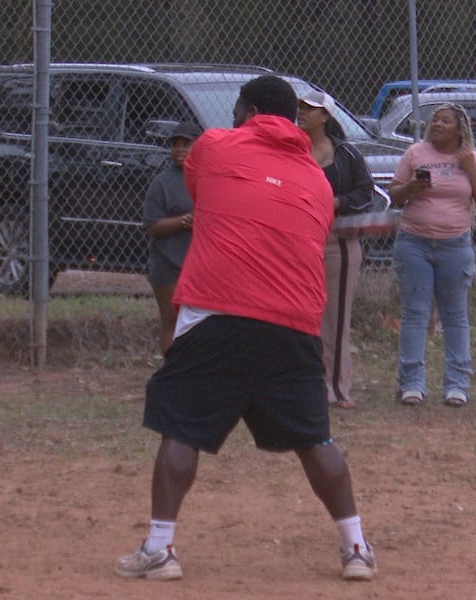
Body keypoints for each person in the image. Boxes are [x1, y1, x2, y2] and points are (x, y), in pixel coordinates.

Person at [115, 75, 375, 583]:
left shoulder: (213, 147)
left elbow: (199, 188)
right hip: (295, 323)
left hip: (217, 311)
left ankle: (160, 549)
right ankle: (357, 548)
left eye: (238, 112)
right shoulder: (317, 180)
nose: (231, 120)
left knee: (182, 428)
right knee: (316, 438)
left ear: (250, 110)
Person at [388, 103, 476, 407]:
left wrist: (472, 170)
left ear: (459, 128)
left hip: (454, 245)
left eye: (445, 121)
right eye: (435, 120)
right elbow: (393, 195)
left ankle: (457, 384)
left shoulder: (472, 159)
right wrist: (411, 187)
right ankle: (412, 383)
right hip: (414, 243)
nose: (437, 124)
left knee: (454, 315)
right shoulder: (415, 154)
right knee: (415, 313)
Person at [297, 91, 375, 410]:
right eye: (300, 108)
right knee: (299, 316)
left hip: (335, 241)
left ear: (326, 117)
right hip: (295, 241)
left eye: (311, 109)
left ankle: (336, 387)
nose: (303, 113)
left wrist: (336, 202)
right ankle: (302, 383)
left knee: (335, 317)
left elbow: (365, 193)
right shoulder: (288, 150)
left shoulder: (346, 155)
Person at [142, 121, 201, 353]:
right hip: (168, 263)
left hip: (199, 263)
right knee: (172, 321)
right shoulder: (162, 183)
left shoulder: (207, 177)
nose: (179, 149)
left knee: (199, 324)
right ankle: (171, 371)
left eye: (186, 144)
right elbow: (151, 225)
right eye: (175, 144)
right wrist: (183, 221)